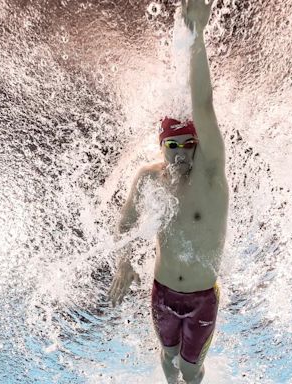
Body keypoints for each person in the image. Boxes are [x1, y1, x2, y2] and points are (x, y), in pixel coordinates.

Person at [108, 1, 228, 383]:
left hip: (201, 300)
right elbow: (126, 219)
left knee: (192, 371)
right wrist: (124, 262)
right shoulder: (149, 176)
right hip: (161, 293)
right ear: (161, 147)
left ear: (198, 145)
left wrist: (197, 39)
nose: (179, 155)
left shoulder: (210, 176)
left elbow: (204, 105)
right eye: (171, 147)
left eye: (186, 145)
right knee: (167, 359)